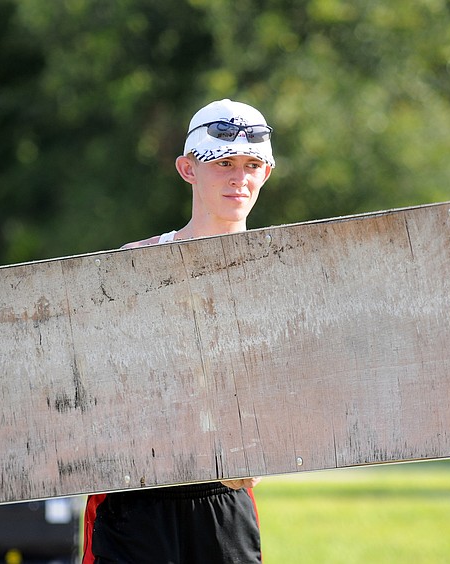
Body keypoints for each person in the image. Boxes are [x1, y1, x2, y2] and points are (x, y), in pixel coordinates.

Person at [81, 99, 276, 564]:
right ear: (188, 169)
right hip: (135, 494)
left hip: (224, 497)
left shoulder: (276, 270)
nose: (238, 178)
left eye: (251, 165)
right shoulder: (138, 262)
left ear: (266, 174)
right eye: (223, 163)